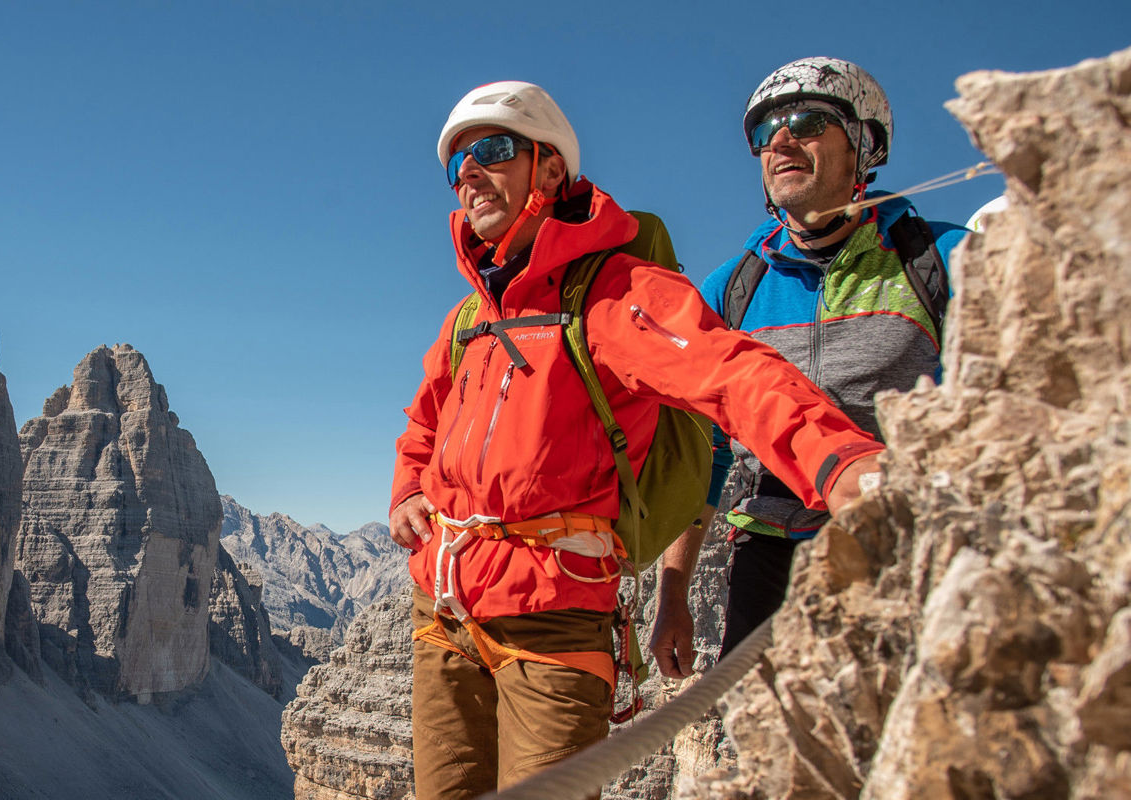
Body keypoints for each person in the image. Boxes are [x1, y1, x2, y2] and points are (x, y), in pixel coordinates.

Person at [389, 79, 890, 798]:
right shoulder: (470, 315)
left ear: (549, 169)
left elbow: (733, 372)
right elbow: (424, 419)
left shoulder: (614, 294)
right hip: (442, 615)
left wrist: (841, 464)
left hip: (552, 626)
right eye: (456, 164)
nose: (468, 173)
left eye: (491, 151)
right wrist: (409, 488)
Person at [649, 58, 970, 679]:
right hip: (767, 556)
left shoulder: (939, 260)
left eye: (806, 121)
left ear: (863, 145)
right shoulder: (732, 291)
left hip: (903, 543)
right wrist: (672, 595)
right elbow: (706, 454)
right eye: (764, 132)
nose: (781, 140)